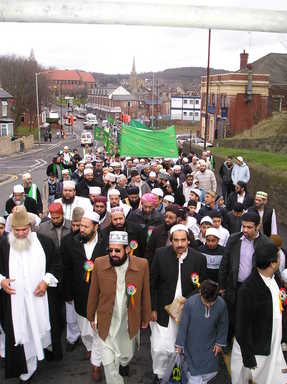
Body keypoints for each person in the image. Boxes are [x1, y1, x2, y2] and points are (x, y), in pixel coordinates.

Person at [0, 206, 62, 380]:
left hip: (38, 300)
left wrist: (45, 281)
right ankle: (27, 367)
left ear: (30, 227)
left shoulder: (44, 242)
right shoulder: (3, 244)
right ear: (11, 229)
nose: (20, 234)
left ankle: (35, 359)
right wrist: (2, 281)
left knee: (38, 329)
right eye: (17, 230)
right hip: (15, 302)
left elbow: (57, 265)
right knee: (22, 333)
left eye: (24, 230)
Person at [87, 231, 152, 384]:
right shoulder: (99, 263)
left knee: (125, 355)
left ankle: (123, 363)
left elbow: (145, 293)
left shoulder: (142, 265)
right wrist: (91, 316)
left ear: (127, 250)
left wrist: (146, 317)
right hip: (106, 319)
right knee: (109, 364)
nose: (113, 254)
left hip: (128, 320)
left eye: (118, 250)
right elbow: (94, 291)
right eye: (111, 250)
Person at [150, 224, 207, 383]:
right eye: (176, 240)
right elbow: (152, 282)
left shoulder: (199, 258)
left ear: (189, 241)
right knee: (160, 347)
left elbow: (202, 285)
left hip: (188, 311)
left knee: (183, 346)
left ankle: (179, 373)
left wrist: (188, 302)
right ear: (171, 241)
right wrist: (153, 308)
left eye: (183, 240)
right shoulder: (161, 254)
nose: (180, 244)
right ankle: (160, 373)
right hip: (163, 309)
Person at [231, 242, 287, 384]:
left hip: (274, 343)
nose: (280, 260)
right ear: (273, 264)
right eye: (278, 257)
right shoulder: (248, 290)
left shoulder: (276, 280)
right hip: (257, 350)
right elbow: (242, 326)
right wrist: (248, 357)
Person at [61, 211, 105, 381]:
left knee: (99, 331)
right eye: (80, 226)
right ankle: (89, 347)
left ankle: (96, 364)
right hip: (80, 295)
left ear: (96, 227)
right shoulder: (70, 243)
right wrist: (68, 293)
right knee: (86, 331)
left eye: (86, 226)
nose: (82, 229)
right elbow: (67, 269)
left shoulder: (105, 242)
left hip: (101, 295)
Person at [218, 211, 272, 346]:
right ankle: (227, 343)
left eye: (249, 227)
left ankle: (245, 345)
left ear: (258, 226)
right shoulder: (234, 239)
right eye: (243, 226)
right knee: (231, 316)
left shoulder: (266, 243)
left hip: (253, 289)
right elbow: (225, 263)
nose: (245, 230)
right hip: (234, 286)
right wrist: (222, 286)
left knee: (248, 318)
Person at [175, 280, 228, 384]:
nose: (209, 305)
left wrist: (219, 343)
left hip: (210, 346)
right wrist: (179, 345)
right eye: (206, 302)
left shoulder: (221, 304)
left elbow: (223, 324)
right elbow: (183, 325)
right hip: (192, 345)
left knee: (209, 372)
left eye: (212, 302)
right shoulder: (190, 303)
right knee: (194, 374)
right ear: (200, 293)